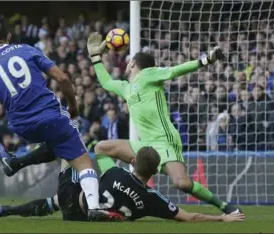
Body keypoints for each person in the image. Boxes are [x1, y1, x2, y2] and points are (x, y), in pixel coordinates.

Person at [0, 16, 121, 221]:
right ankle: (94, 207)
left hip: (21, 126)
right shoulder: (27, 50)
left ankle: (15, 163)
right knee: (83, 162)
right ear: (9, 36)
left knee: (56, 143)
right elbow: (62, 78)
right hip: (50, 115)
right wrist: (73, 106)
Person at [86, 32, 241, 215]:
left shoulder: (148, 74)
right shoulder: (126, 88)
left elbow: (176, 70)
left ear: (132, 64)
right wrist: (95, 57)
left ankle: (223, 206)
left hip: (164, 140)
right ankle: (116, 190)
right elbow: (106, 82)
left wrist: (205, 60)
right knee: (101, 148)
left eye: (129, 62)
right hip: (144, 145)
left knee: (182, 183)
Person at [0, 147, 245, 222]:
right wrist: (221, 219)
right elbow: (188, 217)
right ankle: (7, 210)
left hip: (73, 196)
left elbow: (102, 149)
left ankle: (16, 165)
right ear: (156, 171)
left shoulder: (114, 172)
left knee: (64, 143)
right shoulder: (152, 199)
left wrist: (128, 156)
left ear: (133, 162)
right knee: (55, 203)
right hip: (79, 219)